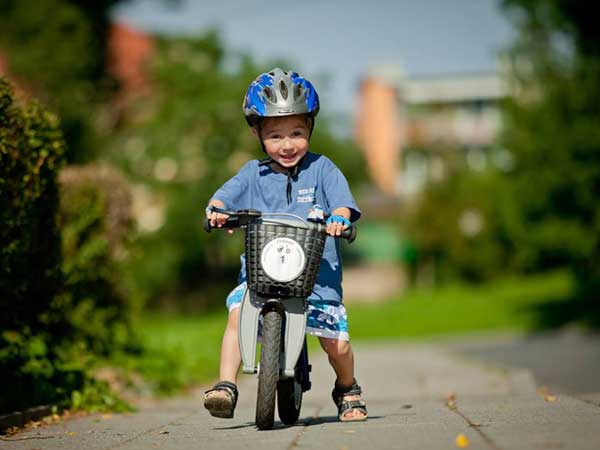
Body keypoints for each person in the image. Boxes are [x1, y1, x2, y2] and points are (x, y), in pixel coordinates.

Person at [203, 68, 367, 422]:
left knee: (335, 343)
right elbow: (223, 198)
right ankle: (225, 385)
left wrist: (339, 218)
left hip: (316, 280)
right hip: (261, 276)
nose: (287, 144)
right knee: (236, 317)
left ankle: (347, 387)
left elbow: (342, 203)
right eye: (275, 135)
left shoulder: (323, 169)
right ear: (258, 133)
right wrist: (217, 211)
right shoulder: (252, 174)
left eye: (297, 132)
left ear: (310, 128)